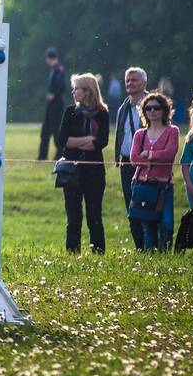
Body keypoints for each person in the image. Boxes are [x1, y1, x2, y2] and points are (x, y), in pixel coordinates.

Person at [56, 72, 109, 254]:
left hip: (94, 173)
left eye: (76, 88)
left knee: (94, 216)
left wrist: (76, 141)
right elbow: (63, 140)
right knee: (73, 217)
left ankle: (98, 253)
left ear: (87, 91)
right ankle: (72, 253)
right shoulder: (70, 112)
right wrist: (87, 140)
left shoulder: (102, 114)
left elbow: (101, 142)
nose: (73, 92)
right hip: (71, 171)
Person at [130, 92, 180, 251]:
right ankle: (150, 255)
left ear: (164, 110)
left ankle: (165, 254)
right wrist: (155, 159)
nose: (152, 111)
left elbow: (170, 154)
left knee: (166, 223)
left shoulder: (172, 131)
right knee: (147, 223)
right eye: (148, 108)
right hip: (142, 184)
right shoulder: (140, 134)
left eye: (156, 108)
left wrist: (149, 155)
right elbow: (134, 159)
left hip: (163, 186)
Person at [113, 67, 148, 251]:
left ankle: (152, 246)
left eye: (134, 80)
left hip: (148, 164)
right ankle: (140, 247)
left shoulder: (153, 105)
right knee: (131, 208)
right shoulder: (122, 108)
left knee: (148, 206)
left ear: (144, 83)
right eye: (127, 80)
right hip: (127, 162)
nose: (130, 83)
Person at [39, 48, 66, 161]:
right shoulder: (55, 69)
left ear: (50, 58)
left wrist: (53, 95)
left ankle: (60, 154)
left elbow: (62, 86)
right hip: (52, 104)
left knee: (55, 130)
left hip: (56, 103)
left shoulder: (59, 69)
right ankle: (42, 156)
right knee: (46, 130)